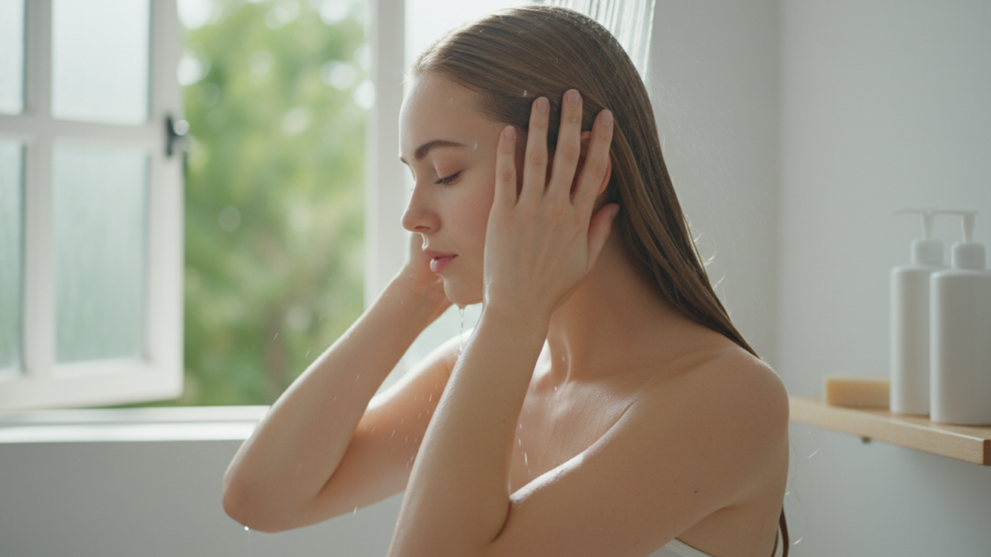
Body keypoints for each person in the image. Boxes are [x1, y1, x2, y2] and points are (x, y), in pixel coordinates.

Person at [222, 5, 790, 557]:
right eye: (413, 176)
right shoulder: (490, 370)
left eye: (444, 173)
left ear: (574, 169)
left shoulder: (730, 397)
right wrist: (414, 295)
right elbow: (260, 499)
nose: (412, 215)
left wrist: (514, 312)